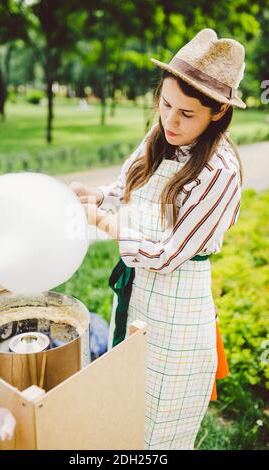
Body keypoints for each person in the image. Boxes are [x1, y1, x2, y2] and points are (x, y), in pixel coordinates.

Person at [70, 28, 246, 450]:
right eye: (165, 104)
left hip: (177, 315)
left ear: (217, 113)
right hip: (135, 297)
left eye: (187, 113)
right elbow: (127, 194)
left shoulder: (220, 173)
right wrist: (97, 197)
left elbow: (168, 253)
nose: (170, 121)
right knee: (125, 410)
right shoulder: (160, 138)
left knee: (160, 431)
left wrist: (107, 224)